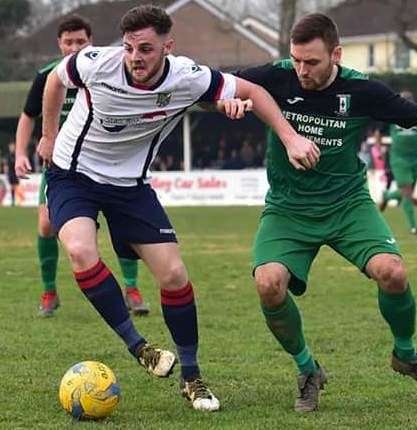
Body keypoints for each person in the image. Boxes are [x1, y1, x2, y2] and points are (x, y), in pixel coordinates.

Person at [37, 5, 319, 412]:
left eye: (147, 49)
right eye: (131, 48)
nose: (136, 57)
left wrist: (290, 138)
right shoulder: (96, 63)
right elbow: (54, 80)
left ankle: (192, 378)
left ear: (167, 47)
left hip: (131, 186)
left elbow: (252, 93)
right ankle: (140, 347)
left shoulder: (187, 76)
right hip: (73, 175)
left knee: (173, 275)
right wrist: (48, 137)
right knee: (81, 250)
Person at [235, 13, 417, 412]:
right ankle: (308, 369)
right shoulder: (276, 76)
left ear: (335, 54)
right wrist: (226, 98)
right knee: (268, 284)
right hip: (288, 208)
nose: (302, 70)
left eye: (313, 62)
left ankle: (406, 355)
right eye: (297, 60)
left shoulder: (361, 89)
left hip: (347, 204)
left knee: (393, 272)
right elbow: (215, 85)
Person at [14, 15, 149, 317]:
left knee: (122, 224)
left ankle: (132, 288)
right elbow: (28, 114)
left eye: (81, 41)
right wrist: (20, 154)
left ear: (91, 42)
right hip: (62, 167)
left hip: (106, 164)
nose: (74, 47)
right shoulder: (49, 75)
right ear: (59, 44)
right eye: (68, 42)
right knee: (46, 225)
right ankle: (49, 292)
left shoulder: (104, 71)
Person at [379, 90, 417, 235]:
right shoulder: (391, 115)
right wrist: (379, 149)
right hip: (399, 159)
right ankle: (413, 227)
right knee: (408, 193)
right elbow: (378, 132)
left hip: (415, 158)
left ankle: (387, 196)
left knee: (406, 193)